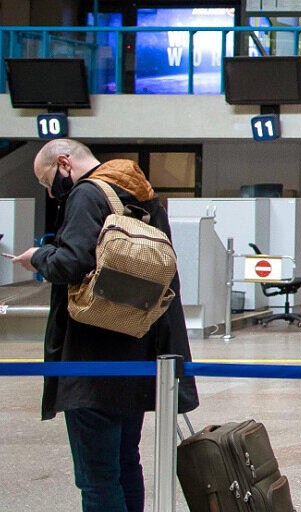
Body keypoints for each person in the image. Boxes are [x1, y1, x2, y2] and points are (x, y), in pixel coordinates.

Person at [9, 138, 199, 512]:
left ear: (64, 162)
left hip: (93, 358)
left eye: (48, 181)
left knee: (96, 477)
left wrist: (39, 256)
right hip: (137, 351)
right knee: (127, 463)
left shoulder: (86, 195)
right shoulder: (142, 195)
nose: (51, 193)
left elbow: (72, 262)